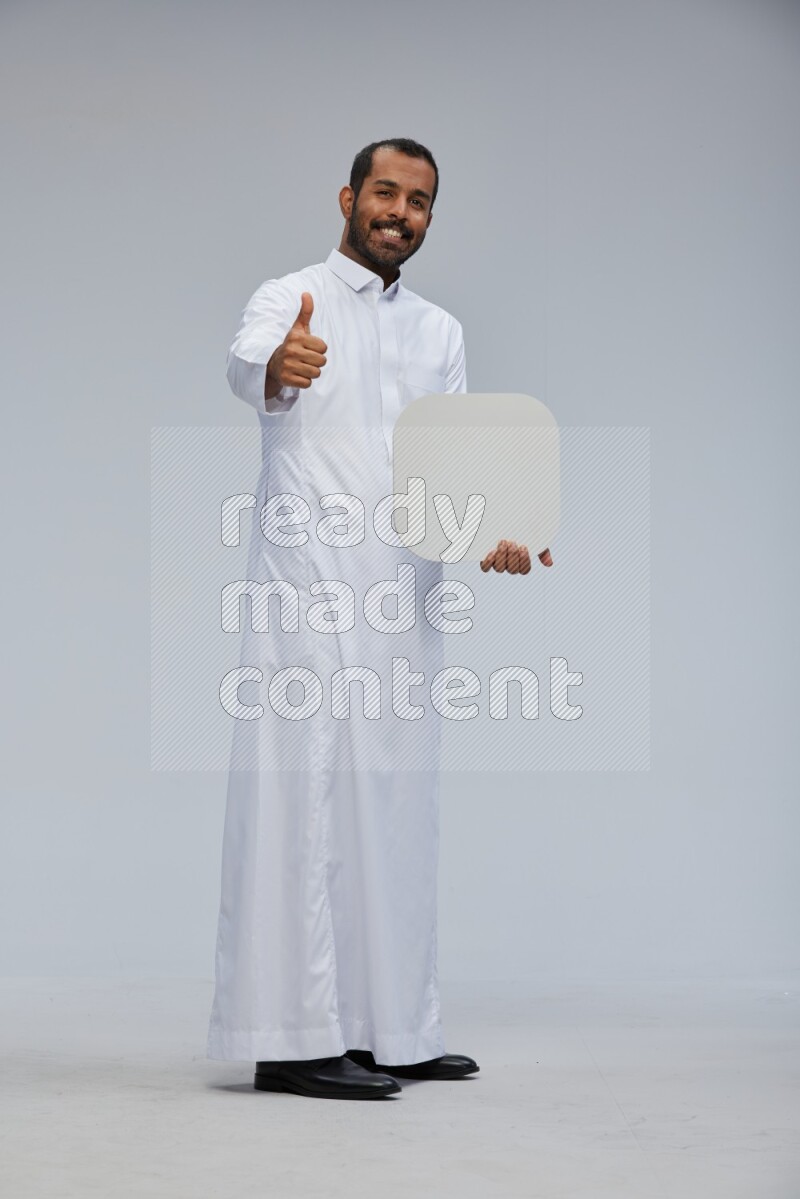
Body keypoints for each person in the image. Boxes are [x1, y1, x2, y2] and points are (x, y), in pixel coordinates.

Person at [207, 138, 552, 1101]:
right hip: (309, 589)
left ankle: (394, 1026)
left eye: (421, 200)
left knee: (393, 810)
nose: (401, 211)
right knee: (301, 799)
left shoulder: (439, 331)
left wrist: (500, 527)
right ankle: (292, 1035)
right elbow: (246, 365)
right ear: (349, 197)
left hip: (403, 594)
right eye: (386, 192)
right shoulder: (291, 293)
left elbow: (453, 465)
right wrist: (280, 361)